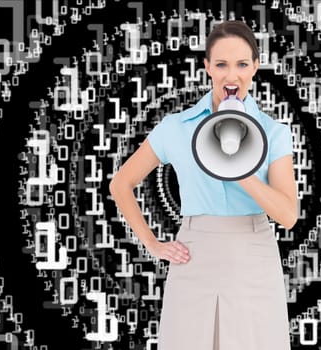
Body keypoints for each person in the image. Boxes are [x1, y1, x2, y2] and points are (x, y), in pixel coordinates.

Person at [109, 20, 297, 350]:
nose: (231, 76)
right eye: (221, 64)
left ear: (255, 65)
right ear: (207, 66)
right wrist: (152, 244)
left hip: (254, 259)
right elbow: (121, 183)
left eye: (241, 64)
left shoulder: (274, 132)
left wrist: (242, 173)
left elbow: (288, 216)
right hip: (193, 256)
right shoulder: (175, 128)